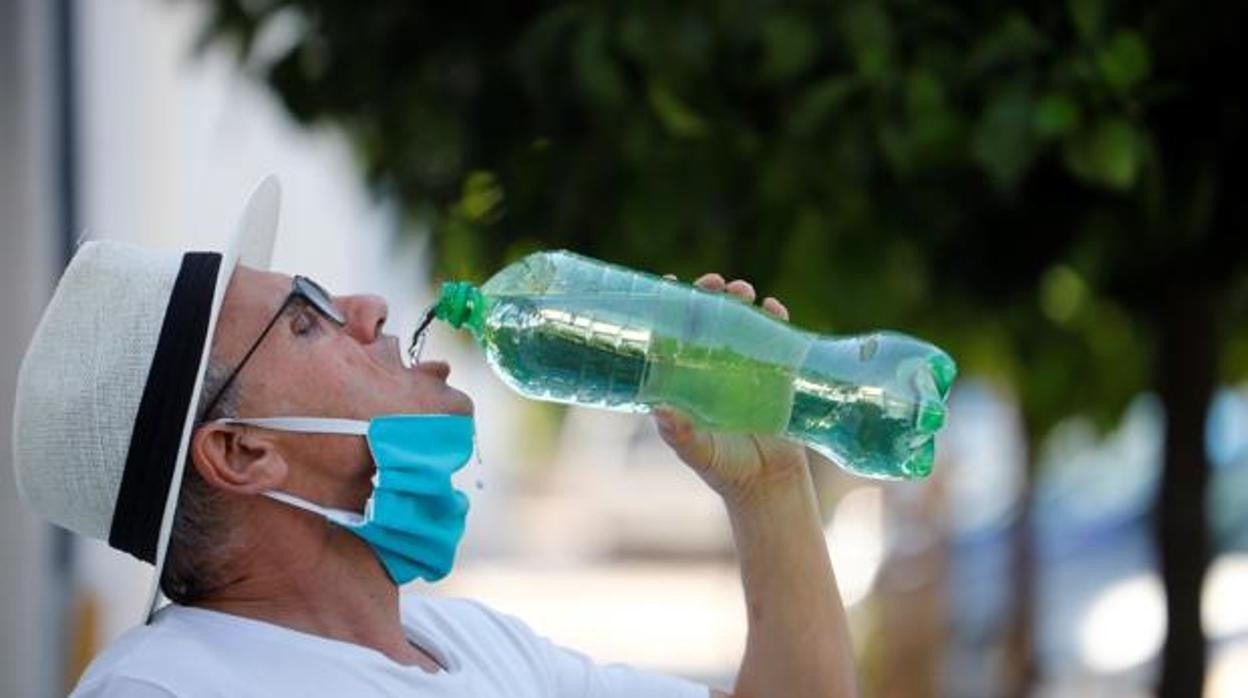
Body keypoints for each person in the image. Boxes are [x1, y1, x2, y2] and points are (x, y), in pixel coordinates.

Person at [13, 178, 857, 697]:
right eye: (305, 323)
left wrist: (770, 488)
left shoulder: (475, 648)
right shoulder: (172, 689)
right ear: (242, 452)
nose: (369, 309)